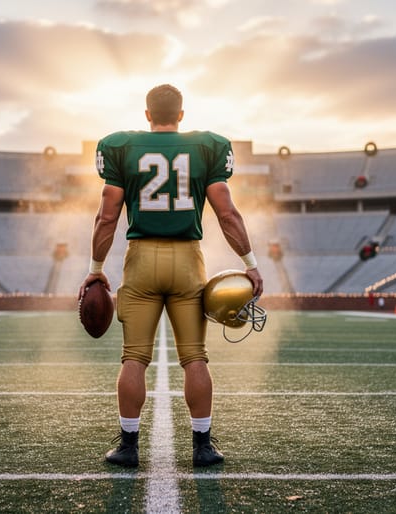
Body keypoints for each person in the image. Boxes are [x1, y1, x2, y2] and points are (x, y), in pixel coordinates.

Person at [79, 84, 263, 468]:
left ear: (147, 115)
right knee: (195, 357)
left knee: (134, 358)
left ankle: (128, 447)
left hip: (141, 259)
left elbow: (107, 217)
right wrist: (249, 262)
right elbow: (227, 213)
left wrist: (95, 271)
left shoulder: (121, 146)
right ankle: (203, 447)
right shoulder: (206, 147)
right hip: (187, 260)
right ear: (181, 115)